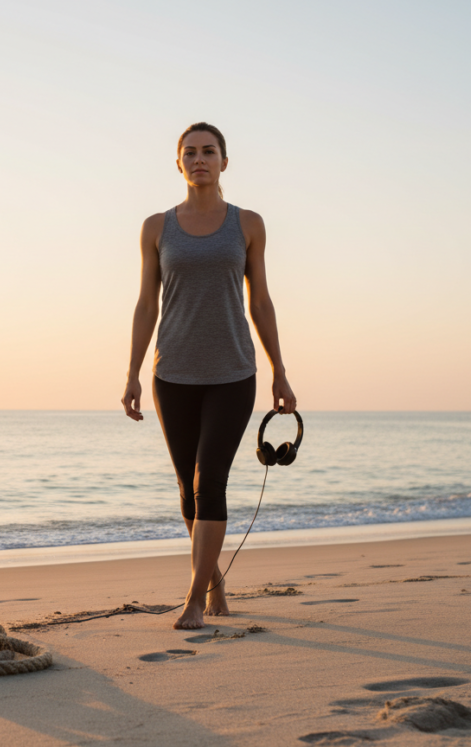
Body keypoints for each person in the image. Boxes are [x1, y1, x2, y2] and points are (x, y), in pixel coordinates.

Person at [121, 122, 297, 630]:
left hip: (232, 371)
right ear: (179, 164)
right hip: (171, 372)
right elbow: (145, 303)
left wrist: (279, 371)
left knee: (210, 480)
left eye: (209, 151)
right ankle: (216, 581)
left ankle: (194, 597)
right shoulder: (156, 227)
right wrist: (131, 372)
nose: (200, 159)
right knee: (186, 488)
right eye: (190, 153)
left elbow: (260, 301)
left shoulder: (248, 224)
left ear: (224, 161)